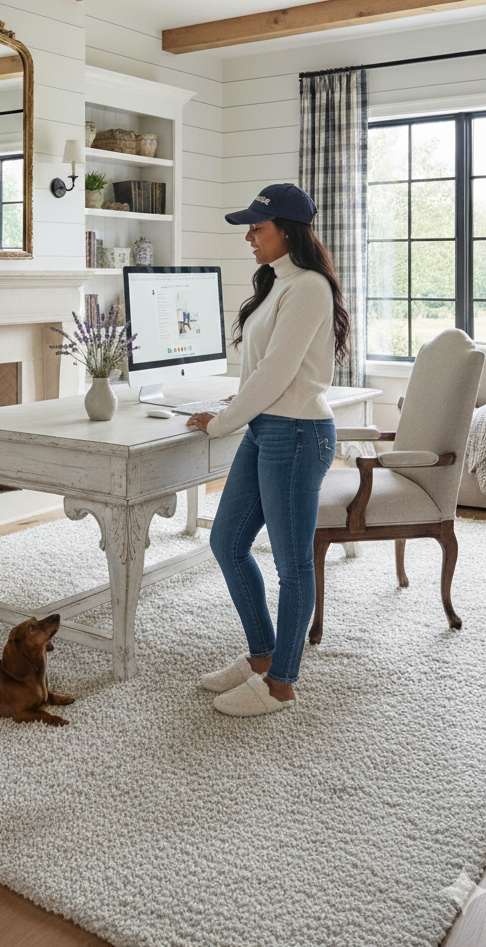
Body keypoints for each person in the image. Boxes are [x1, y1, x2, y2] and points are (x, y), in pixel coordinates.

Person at [186, 182, 349, 717]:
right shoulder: (279, 284)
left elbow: (281, 372)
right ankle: (261, 657)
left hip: (298, 434)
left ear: (287, 230)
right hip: (267, 427)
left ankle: (282, 683)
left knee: (291, 565)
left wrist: (221, 423)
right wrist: (240, 403)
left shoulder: (308, 288)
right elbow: (266, 368)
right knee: (227, 543)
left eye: (258, 227)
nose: (250, 237)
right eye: (250, 229)